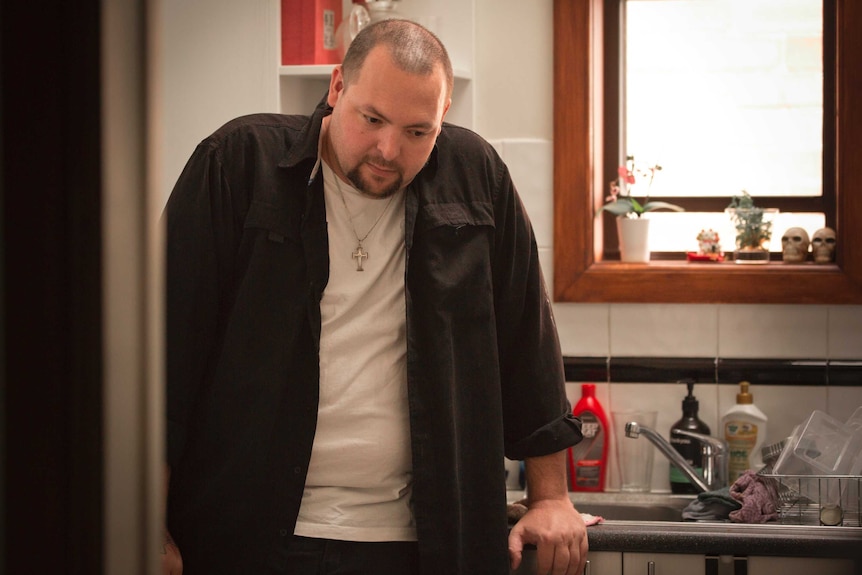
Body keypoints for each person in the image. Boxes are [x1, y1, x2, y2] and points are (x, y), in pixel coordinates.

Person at [162, 18, 587, 575]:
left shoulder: (477, 175)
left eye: (418, 131)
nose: (389, 150)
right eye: (372, 119)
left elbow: (526, 339)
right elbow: (164, 354)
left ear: (444, 114)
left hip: (429, 541)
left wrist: (550, 496)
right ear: (337, 87)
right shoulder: (238, 163)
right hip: (247, 533)